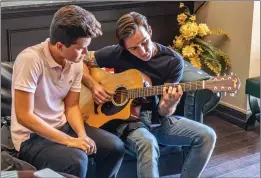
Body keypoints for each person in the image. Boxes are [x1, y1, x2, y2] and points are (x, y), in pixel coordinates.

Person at [82, 12, 217, 178]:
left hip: (156, 119)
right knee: (148, 142)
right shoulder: (117, 53)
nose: (143, 50)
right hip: (125, 120)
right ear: (125, 47)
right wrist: (93, 85)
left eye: (144, 41)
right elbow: (82, 60)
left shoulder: (172, 61)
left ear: (150, 31)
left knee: (207, 135)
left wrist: (169, 103)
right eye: (133, 48)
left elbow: (163, 113)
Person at [11, 5, 125, 178]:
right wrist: (71, 141)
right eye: (81, 48)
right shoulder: (30, 60)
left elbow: (71, 106)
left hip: (63, 126)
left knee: (114, 147)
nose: (86, 53)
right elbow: (24, 116)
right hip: (31, 137)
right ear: (59, 45)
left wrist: (82, 136)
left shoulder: (76, 62)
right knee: (77, 160)